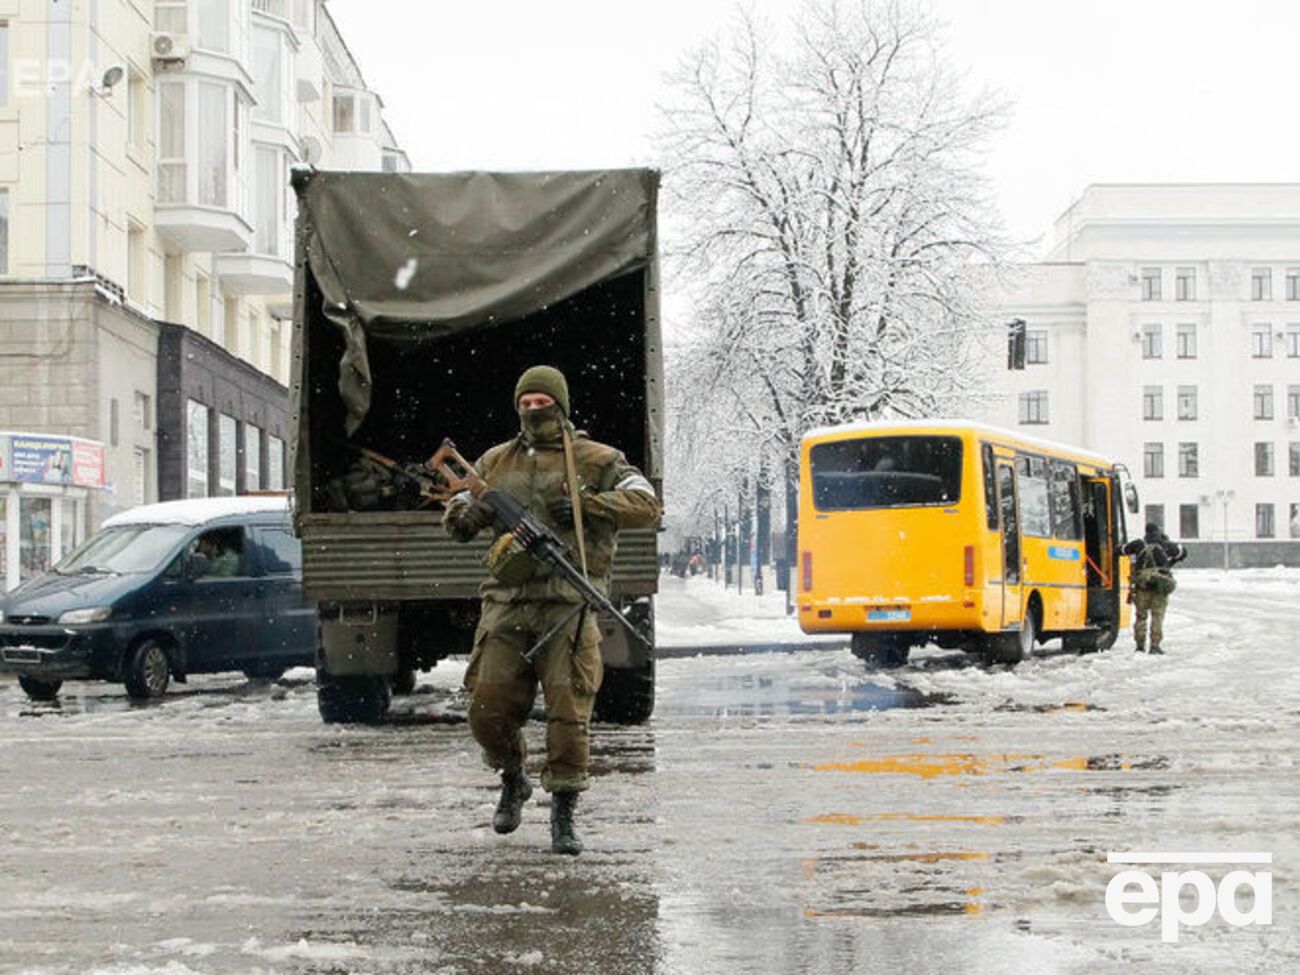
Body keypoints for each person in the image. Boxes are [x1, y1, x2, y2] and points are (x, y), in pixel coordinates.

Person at [442, 365, 660, 855]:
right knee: (485, 708)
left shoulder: (599, 458)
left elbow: (646, 505)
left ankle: (563, 813)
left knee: (568, 717)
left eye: (543, 402)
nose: (534, 409)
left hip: (569, 606)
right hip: (506, 605)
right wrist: (466, 513)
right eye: (527, 401)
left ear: (561, 405)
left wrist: (591, 505)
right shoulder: (494, 462)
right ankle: (513, 775)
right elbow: (455, 517)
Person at [1122, 522, 1187, 654]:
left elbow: (1121, 550)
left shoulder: (1138, 544)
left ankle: (1139, 646)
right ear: (1158, 531)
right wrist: (1169, 556)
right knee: (1157, 616)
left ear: (1146, 532)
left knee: (1141, 617)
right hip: (1160, 588)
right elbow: (1183, 553)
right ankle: (1155, 646)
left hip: (1142, 587)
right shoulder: (1166, 545)